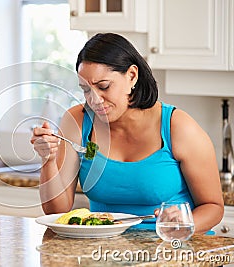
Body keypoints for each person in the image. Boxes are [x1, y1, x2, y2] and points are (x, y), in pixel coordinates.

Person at [30, 33, 224, 233]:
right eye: (86, 90)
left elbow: (214, 208)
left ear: (132, 76)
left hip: (171, 245)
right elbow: (56, 210)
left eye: (103, 86)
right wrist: (48, 160)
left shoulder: (178, 127)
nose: (94, 100)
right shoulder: (78, 122)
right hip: (103, 251)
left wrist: (184, 223)